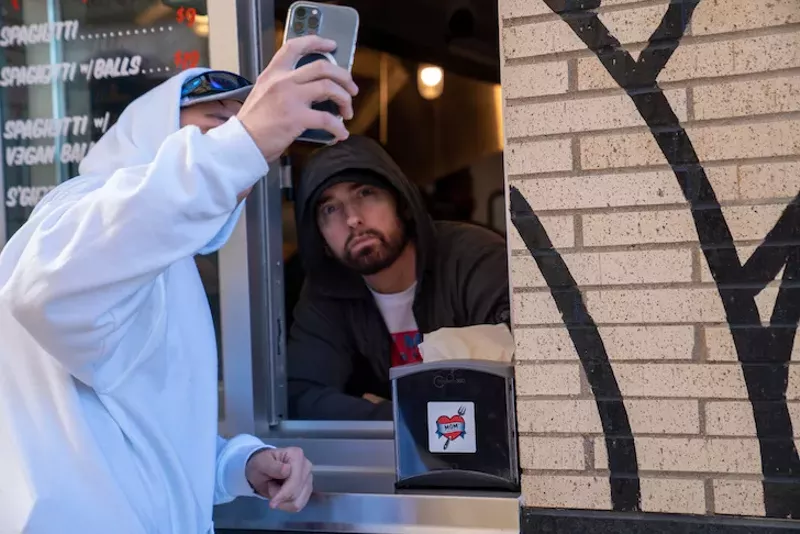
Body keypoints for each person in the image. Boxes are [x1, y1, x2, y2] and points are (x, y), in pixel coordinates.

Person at [0, 35, 358, 533]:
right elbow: (43, 295)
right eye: (215, 130)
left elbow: (145, 438)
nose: (238, 160)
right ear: (154, 134)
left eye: (250, 147)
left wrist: (241, 465)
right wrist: (243, 144)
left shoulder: (164, 267)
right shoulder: (79, 212)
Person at [286, 135, 510, 420]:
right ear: (321, 239)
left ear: (401, 202)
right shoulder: (327, 291)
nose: (352, 218)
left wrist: (386, 408)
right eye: (330, 209)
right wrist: (396, 416)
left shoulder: (473, 259)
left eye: (365, 194)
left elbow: (519, 382)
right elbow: (303, 396)